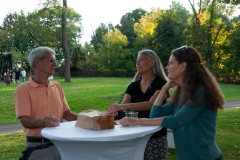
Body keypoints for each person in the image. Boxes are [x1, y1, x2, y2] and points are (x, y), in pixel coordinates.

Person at [120, 46, 224, 160]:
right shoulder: (182, 92)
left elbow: (176, 120)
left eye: (170, 63)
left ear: (183, 66)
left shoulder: (199, 91)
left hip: (205, 156)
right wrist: (164, 89)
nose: (166, 67)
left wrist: (136, 121)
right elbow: (155, 115)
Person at [14, 46, 78, 160]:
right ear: (37, 62)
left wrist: (88, 118)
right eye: (51, 60)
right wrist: (43, 121)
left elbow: (67, 114)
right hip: (39, 148)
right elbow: (25, 120)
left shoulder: (57, 86)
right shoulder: (23, 89)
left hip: (61, 145)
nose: (55, 64)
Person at [107, 49, 169, 160]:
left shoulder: (162, 84)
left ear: (152, 62)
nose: (137, 63)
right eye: (137, 60)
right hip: (133, 136)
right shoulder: (132, 86)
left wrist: (123, 106)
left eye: (141, 60)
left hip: (154, 135)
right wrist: (115, 110)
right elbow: (123, 107)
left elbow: (151, 104)